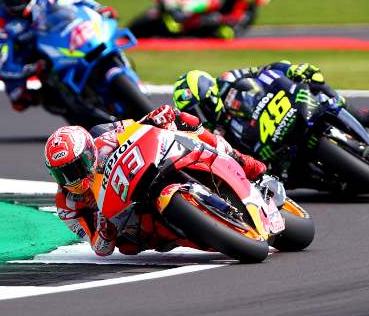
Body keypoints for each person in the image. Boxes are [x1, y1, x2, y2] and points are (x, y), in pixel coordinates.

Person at [43, 104, 268, 257]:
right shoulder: (67, 207)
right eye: (63, 174)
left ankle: (242, 161)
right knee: (128, 247)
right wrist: (103, 227)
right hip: (130, 220)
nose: (73, 177)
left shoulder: (104, 135)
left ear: (89, 151)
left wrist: (155, 118)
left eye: (77, 166)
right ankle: (208, 235)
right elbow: (101, 249)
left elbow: (136, 126)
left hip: (146, 169)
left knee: (180, 118)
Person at [0, 0, 117, 112]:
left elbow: (75, 1)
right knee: (18, 99)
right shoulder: (0, 25)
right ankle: (54, 99)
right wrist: (32, 68)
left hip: (57, 39)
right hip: (32, 56)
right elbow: (2, 65)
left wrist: (100, 9)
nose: (16, 3)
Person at [172, 61, 369, 138]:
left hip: (280, 107)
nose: (199, 115)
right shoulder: (211, 132)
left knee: (313, 81)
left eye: (199, 108)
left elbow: (266, 70)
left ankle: (356, 113)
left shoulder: (228, 80)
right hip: (266, 147)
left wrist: (291, 70)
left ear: (209, 94)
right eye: (193, 113)